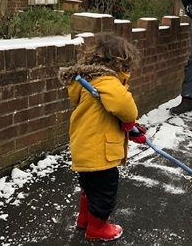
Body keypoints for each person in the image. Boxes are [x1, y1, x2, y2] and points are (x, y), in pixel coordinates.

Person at [58, 33, 147, 242]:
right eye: (127, 66)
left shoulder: (90, 80)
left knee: (91, 187)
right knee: (105, 190)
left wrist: (130, 127)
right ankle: (97, 229)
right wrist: (129, 120)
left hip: (86, 146)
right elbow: (124, 106)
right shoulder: (107, 81)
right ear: (118, 63)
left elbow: (106, 113)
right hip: (100, 151)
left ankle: (84, 219)